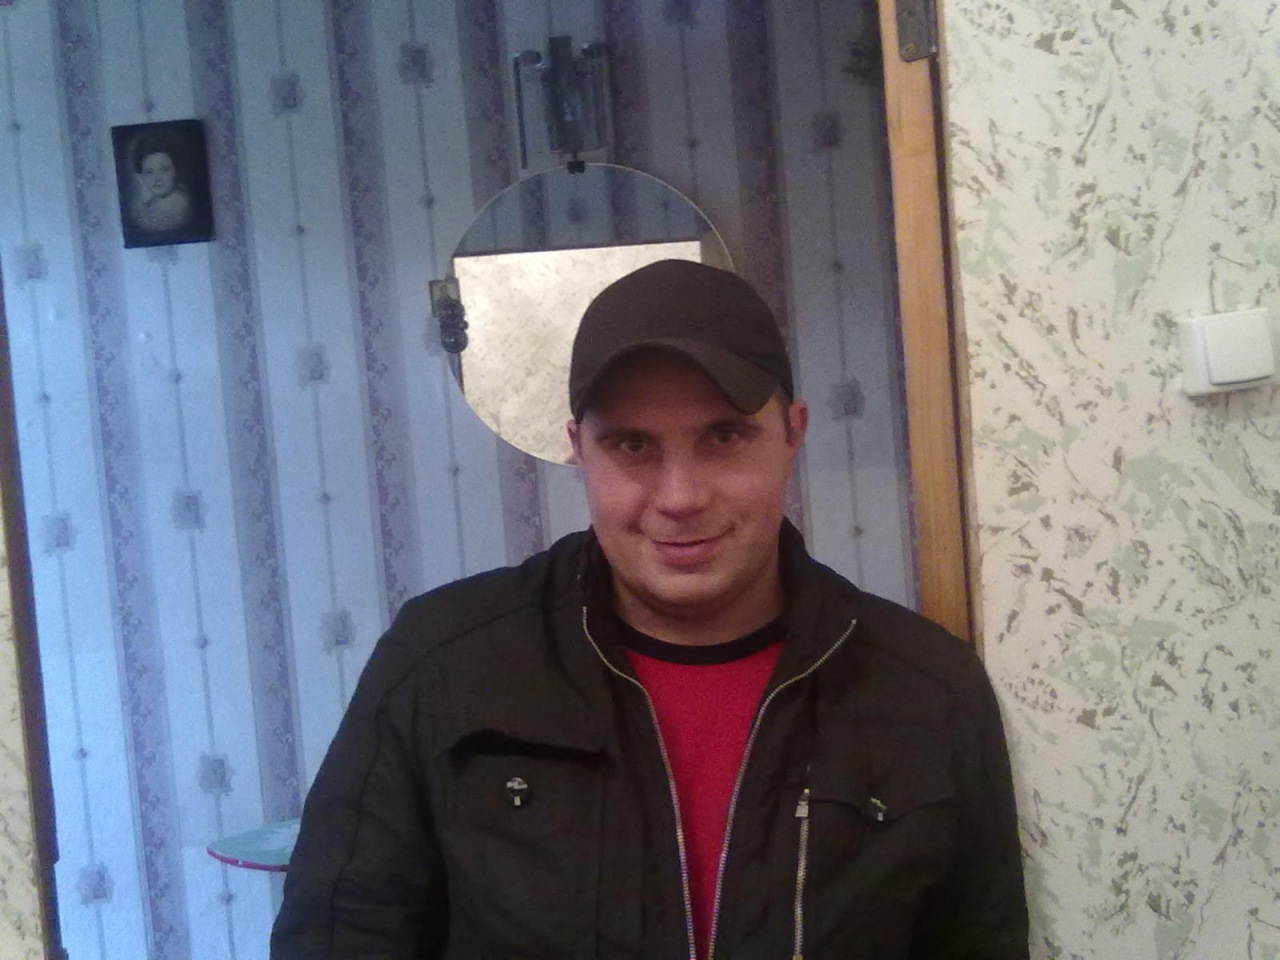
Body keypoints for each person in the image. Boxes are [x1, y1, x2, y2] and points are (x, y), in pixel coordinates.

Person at [271, 260, 1029, 959]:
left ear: (793, 433)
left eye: (724, 436)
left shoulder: (928, 692)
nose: (680, 497)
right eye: (632, 446)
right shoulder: (440, 668)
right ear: (579, 449)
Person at [127, 132, 192, 236]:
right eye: (149, 172)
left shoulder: (185, 207)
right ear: (142, 175)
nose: (157, 178)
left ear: (176, 170)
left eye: (164, 170)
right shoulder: (145, 210)